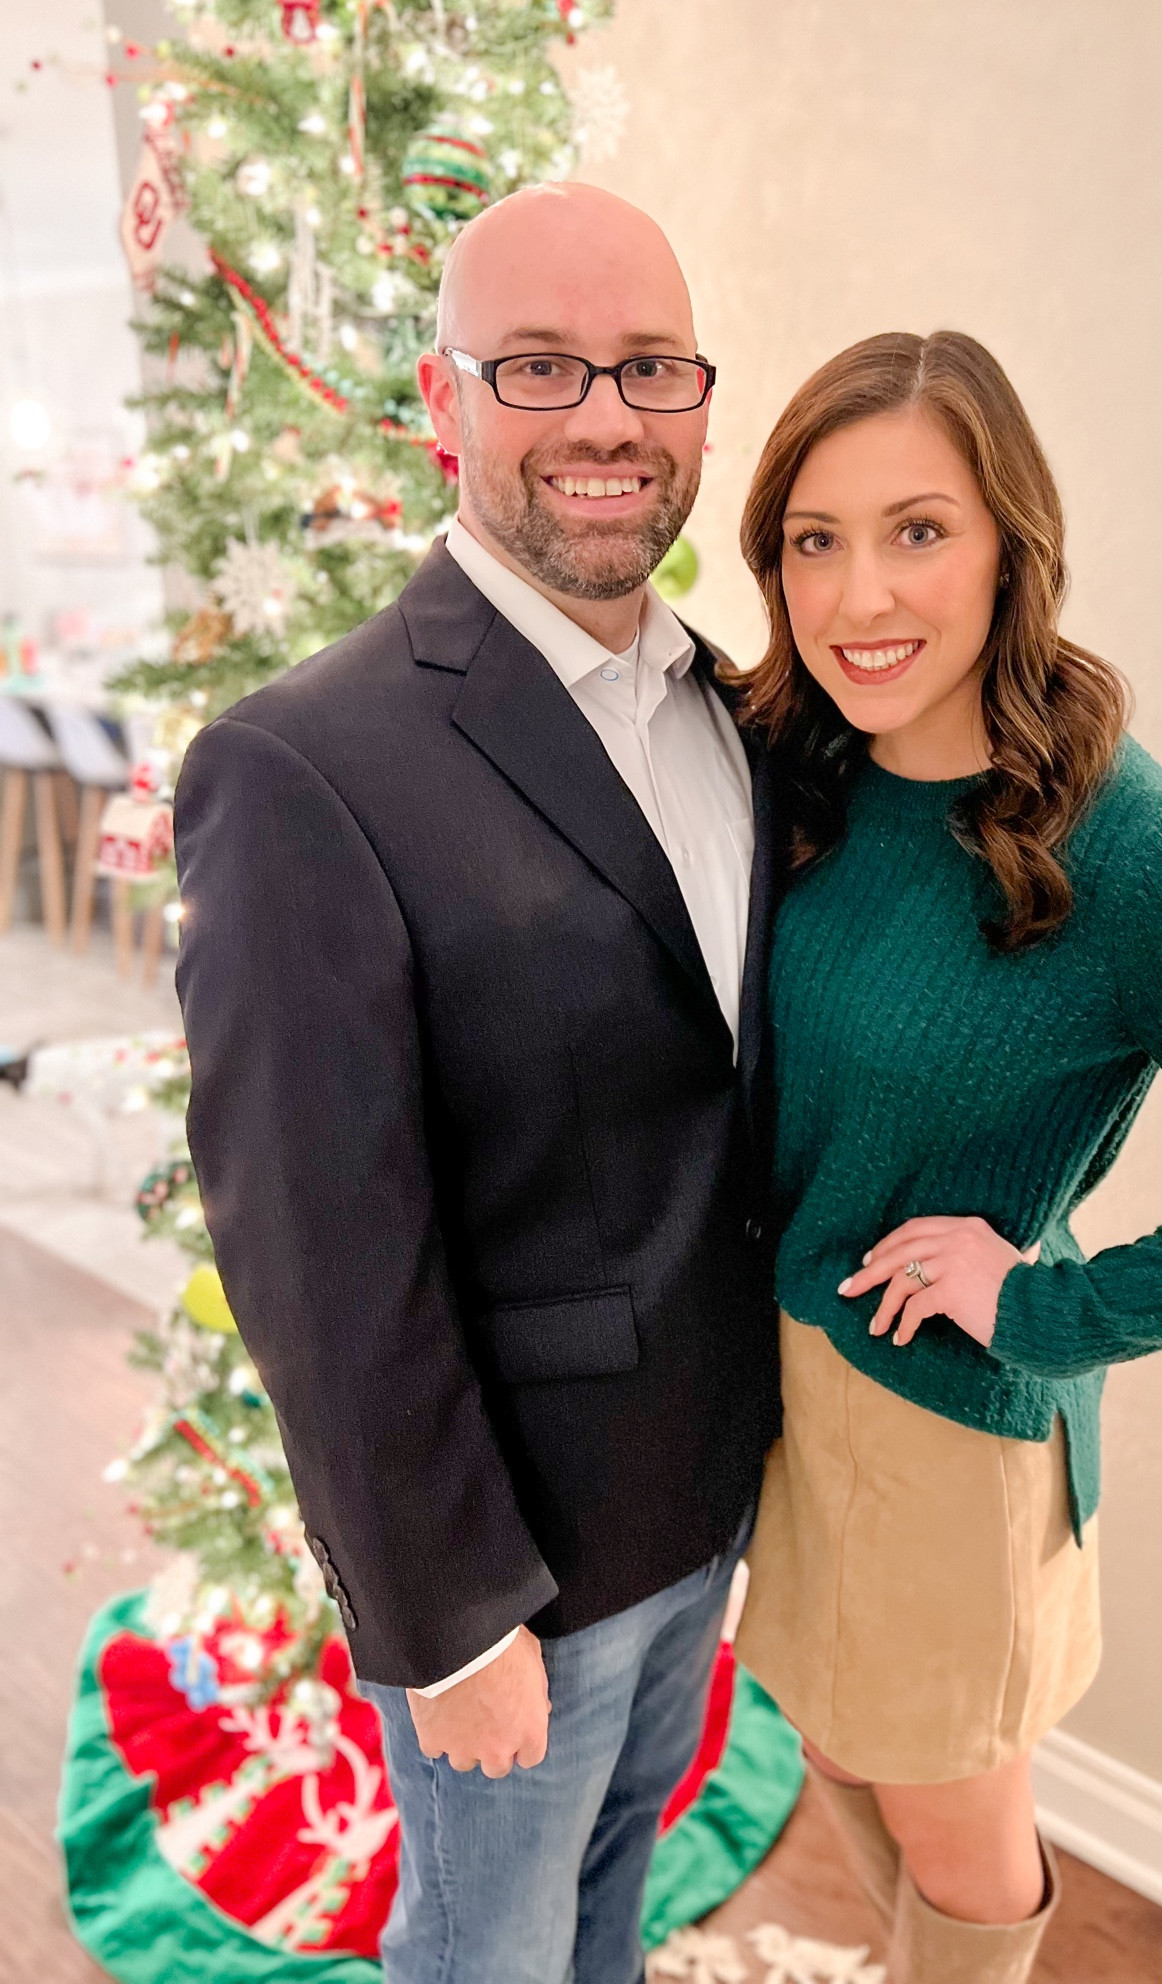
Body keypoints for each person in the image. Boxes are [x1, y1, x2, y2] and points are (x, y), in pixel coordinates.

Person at [728, 330, 1162, 1984]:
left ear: (1012, 543)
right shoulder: (794, 770)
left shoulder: (1137, 850)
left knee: (961, 1849)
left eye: (919, 530)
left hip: (946, 1441)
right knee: (835, 1751)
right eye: (816, 539)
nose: (860, 594)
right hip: (786, 1389)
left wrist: (1045, 1306)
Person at [172, 185, 780, 1984]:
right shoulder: (301, 762)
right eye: (539, 367)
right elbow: (312, 1250)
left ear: (695, 404)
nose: (604, 416)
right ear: (446, 405)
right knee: (485, 1954)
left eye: (649, 368)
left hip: (706, 1507)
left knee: (613, 1903)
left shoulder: (743, 709)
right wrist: (443, 1621)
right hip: (509, 1568)